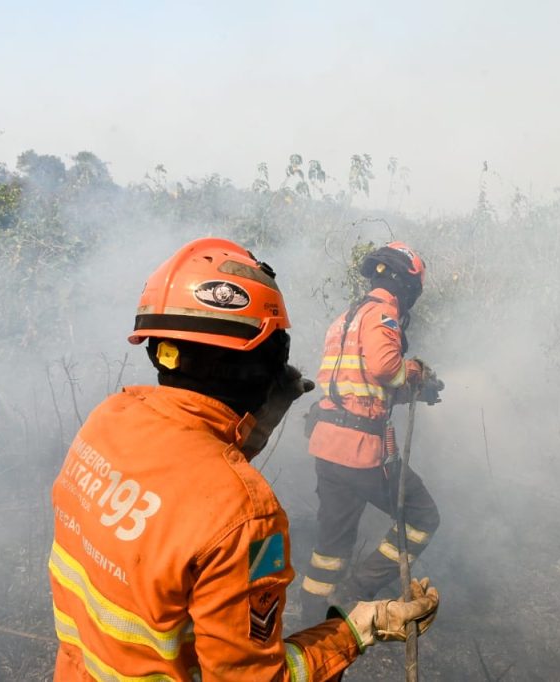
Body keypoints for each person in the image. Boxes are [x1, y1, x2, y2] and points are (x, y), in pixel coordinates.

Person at [48, 237, 439, 681]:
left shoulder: (107, 421)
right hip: (364, 449)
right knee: (412, 518)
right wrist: (359, 628)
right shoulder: (244, 516)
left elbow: (188, 475)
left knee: (331, 546)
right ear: (265, 364)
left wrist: (252, 426)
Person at [300, 241, 444, 621]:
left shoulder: (345, 317)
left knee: (330, 548)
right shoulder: (383, 314)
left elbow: (356, 391)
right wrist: (415, 372)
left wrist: (413, 393)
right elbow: (384, 369)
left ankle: (313, 621)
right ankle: (358, 589)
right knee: (422, 516)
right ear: (406, 285)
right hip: (361, 453)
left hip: (328, 448)